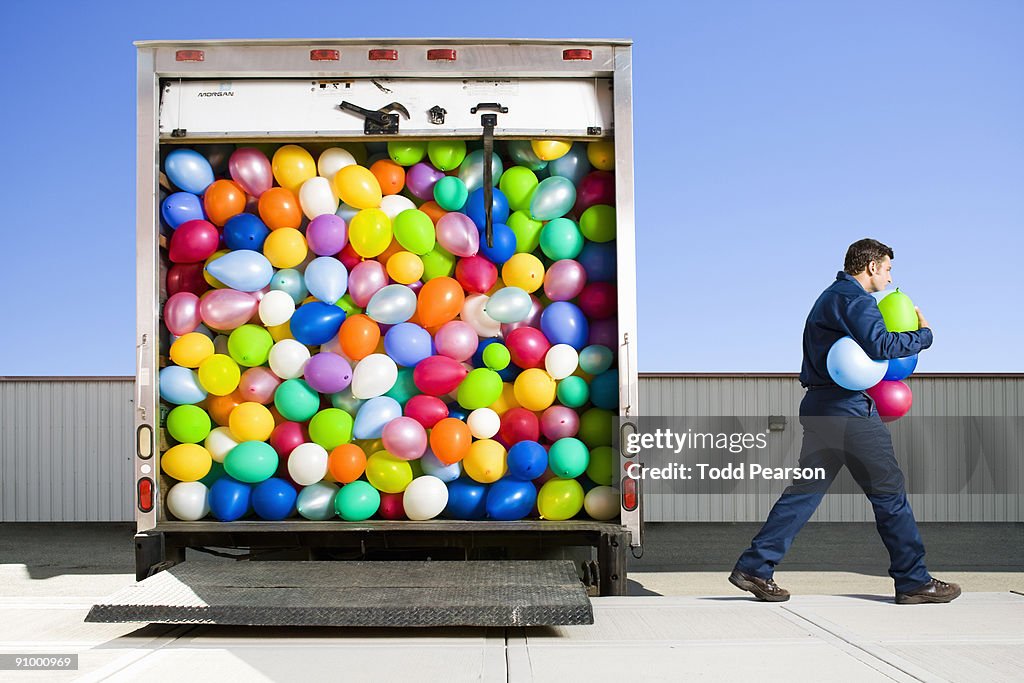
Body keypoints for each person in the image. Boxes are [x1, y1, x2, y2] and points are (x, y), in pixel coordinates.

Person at [729, 238, 961, 604]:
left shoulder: (830, 296)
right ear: (870, 267)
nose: (888, 277)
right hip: (848, 410)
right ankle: (914, 580)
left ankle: (755, 568)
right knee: (890, 494)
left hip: (820, 406)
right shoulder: (854, 299)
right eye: (886, 268)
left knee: (803, 493)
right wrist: (924, 336)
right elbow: (880, 345)